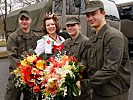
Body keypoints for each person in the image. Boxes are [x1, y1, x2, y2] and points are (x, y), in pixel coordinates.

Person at [77, 0, 131, 100]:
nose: (90, 18)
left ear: (103, 13)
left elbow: (110, 69)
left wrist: (84, 84)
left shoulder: (114, 37)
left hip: (113, 92)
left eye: (93, 14)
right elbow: (87, 59)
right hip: (99, 90)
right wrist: (73, 71)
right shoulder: (94, 36)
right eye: (88, 15)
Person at [5, 10, 40, 100]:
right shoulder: (13, 37)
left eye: (26, 19)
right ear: (18, 21)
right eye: (22, 19)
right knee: (11, 97)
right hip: (16, 75)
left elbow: (39, 56)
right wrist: (24, 70)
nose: (24, 21)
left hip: (31, 77)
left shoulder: (36, 37)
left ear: (30, 20)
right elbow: (12, 57)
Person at [63, 17, 91, 100]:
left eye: (73, 25)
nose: (70, 28)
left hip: (80, 85)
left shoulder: (86, 42)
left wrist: (69, 70)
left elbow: (85, 64)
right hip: (67, 84)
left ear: (79, 26)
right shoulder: (66, 42)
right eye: (68, 26)